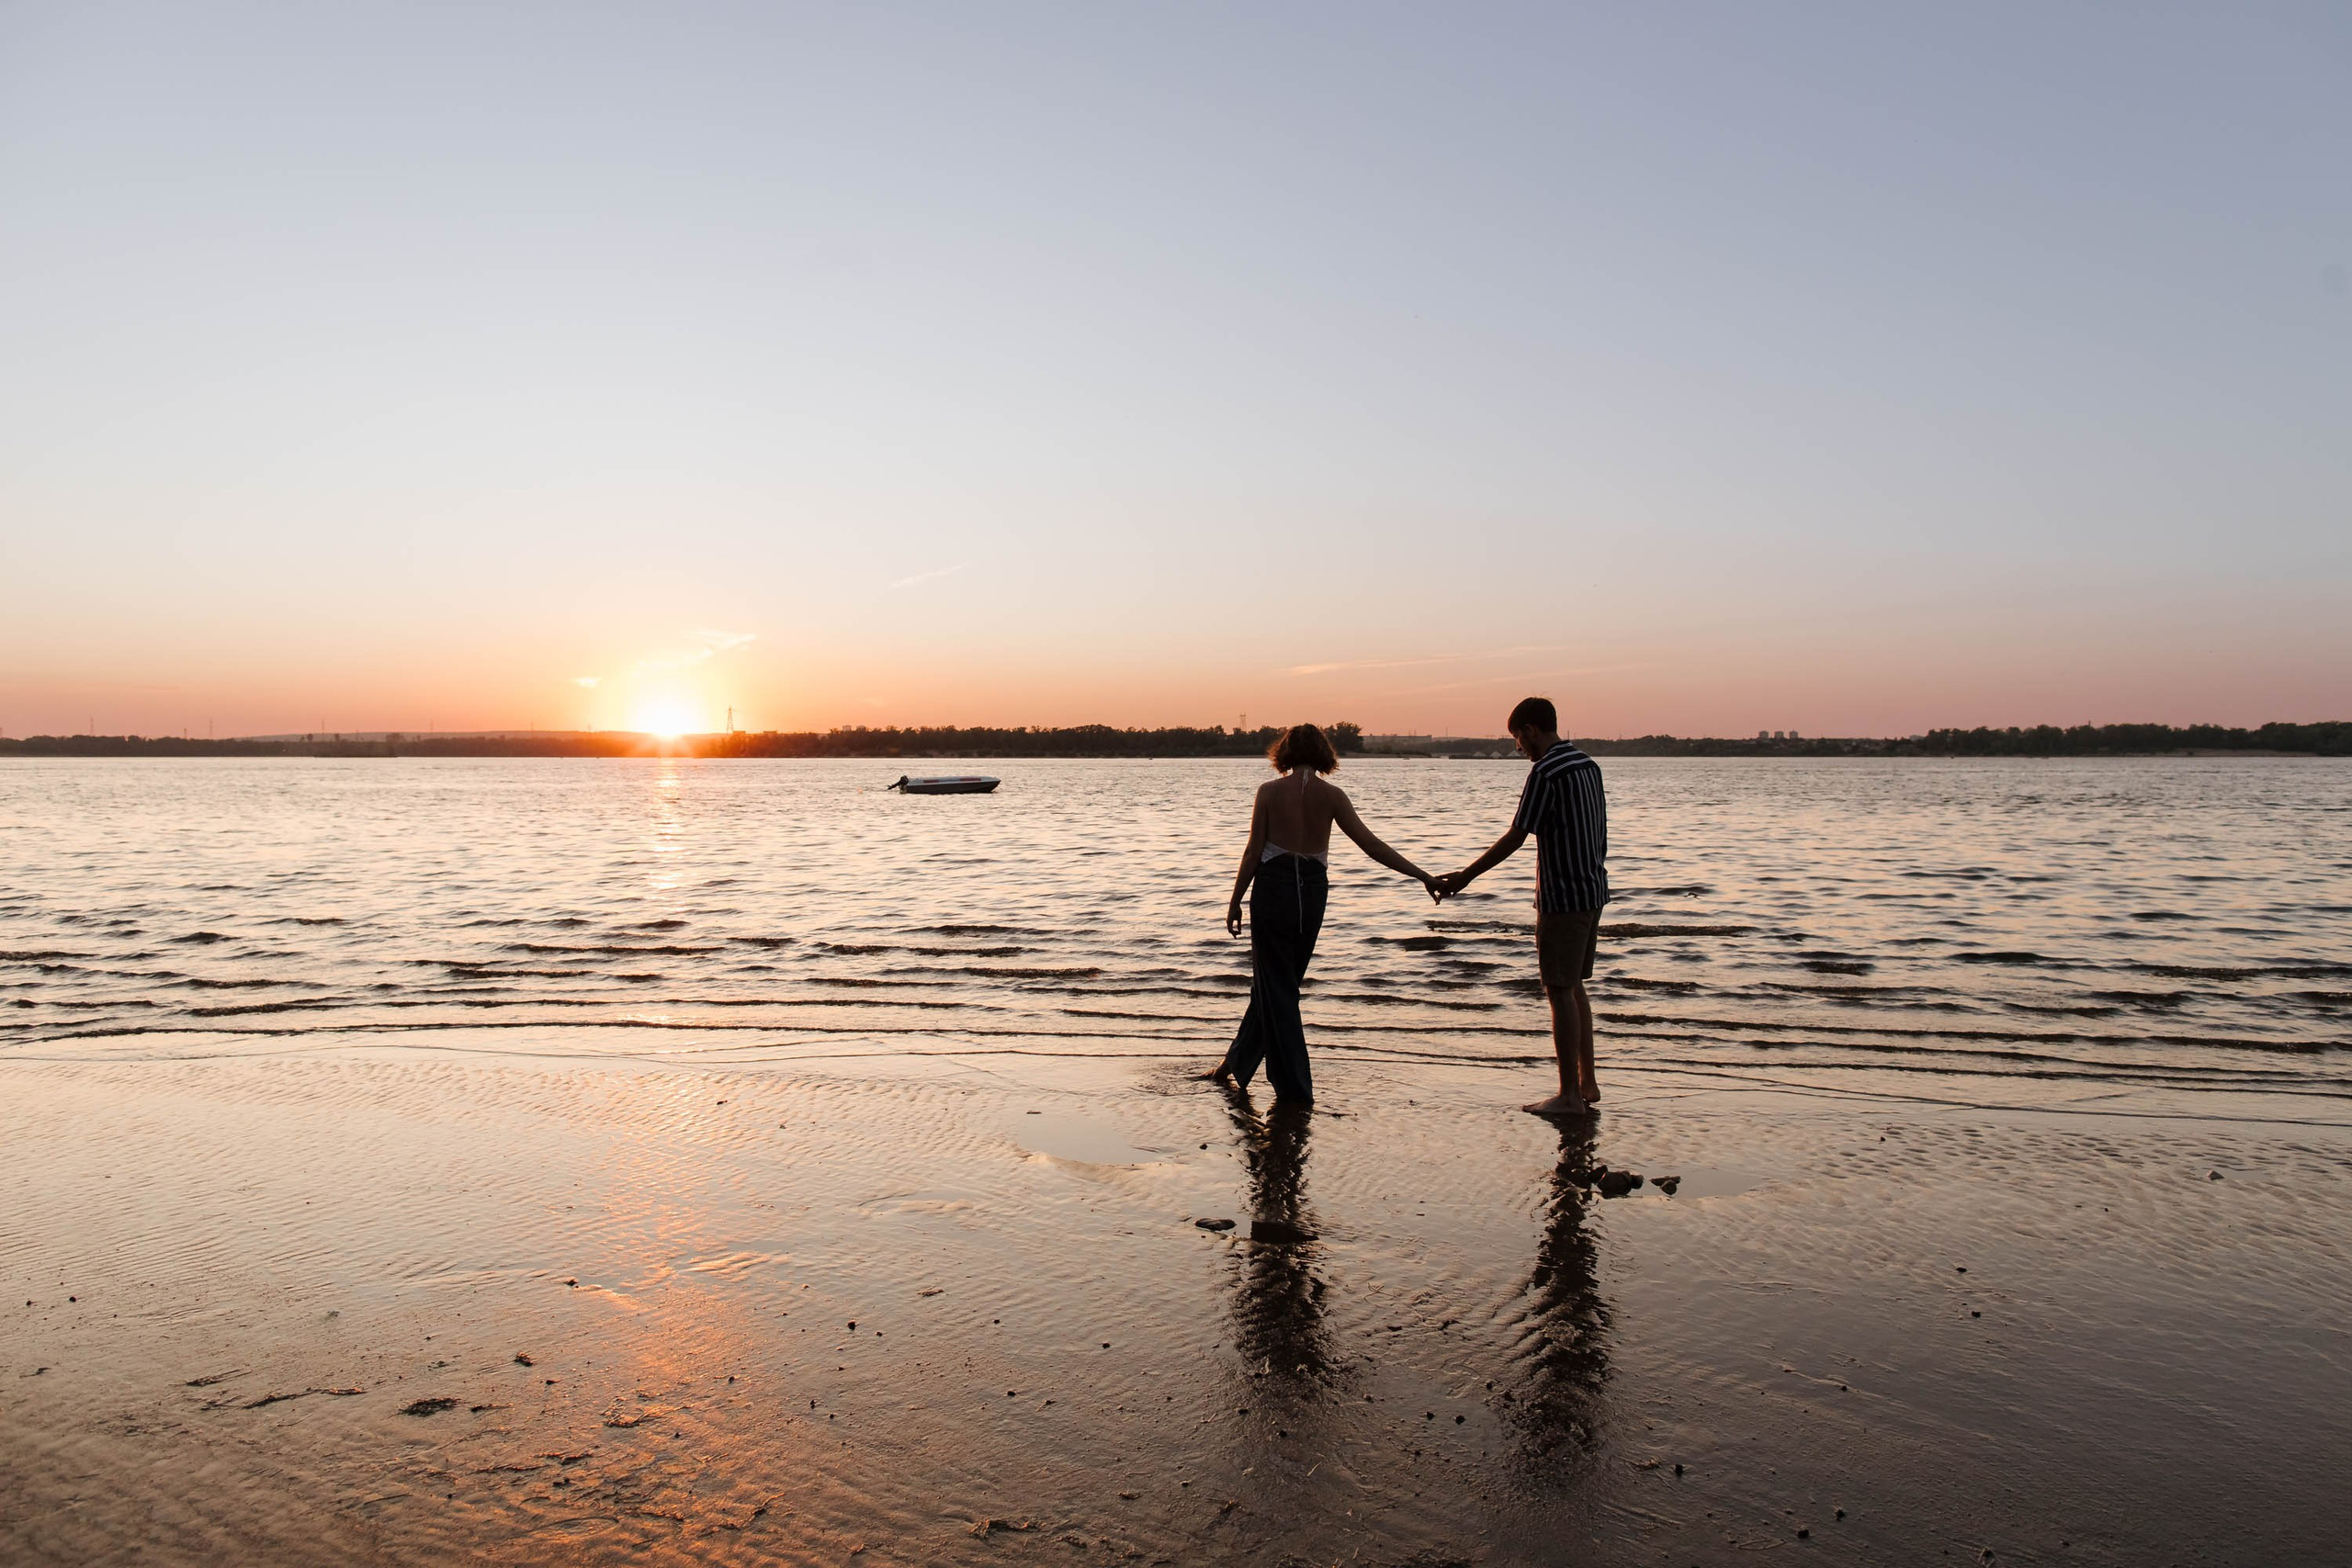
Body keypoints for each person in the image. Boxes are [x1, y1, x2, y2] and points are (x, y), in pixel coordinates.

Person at [1207, 722, 1438, 1104]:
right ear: (1322, 754)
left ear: (1284, 753)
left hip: (1273, 890)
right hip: (1311, 894)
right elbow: (1371, 844)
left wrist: (1234, 900)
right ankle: (1232, 1064)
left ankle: (1296, 1090)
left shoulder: (1268, 792)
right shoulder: (1332, 796)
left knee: (1276, 988)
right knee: (1276, 987)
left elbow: (1252, 852)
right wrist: (1422, 874)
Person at [1434, 697, 1610, 1116]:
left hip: (1562, 896)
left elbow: (1517, 835)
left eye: (1517, 738)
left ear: (1530, 730)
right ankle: (1587, 1081)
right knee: (1575, 986)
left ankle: (1569, 1095)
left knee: (1559, 988)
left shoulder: (1545, 771)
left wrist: (1465, 876)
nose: (1517, 748)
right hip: (1593, 890)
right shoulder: (1587, 764)